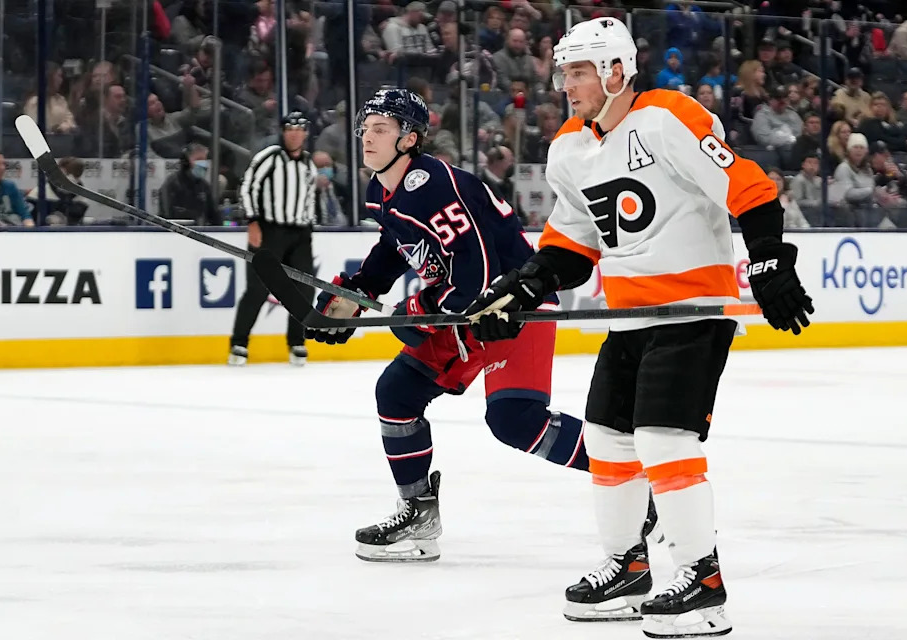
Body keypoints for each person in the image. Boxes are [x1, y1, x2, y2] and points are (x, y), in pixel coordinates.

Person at [465, 17, 813, 638]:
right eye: (563, 72)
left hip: (689, 313)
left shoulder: (665, 116)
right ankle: (628, 565)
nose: (566, 85)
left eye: (578, 72)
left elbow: (748, 186)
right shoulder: (569, 147)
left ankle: (703, 584)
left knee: (663, 439)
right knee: (606, 438)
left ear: (615, 71)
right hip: (628, 319)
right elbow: (571, 245)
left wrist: (767, 260)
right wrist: (526, 283)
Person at [303, 89, 593, 563]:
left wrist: (417, 308)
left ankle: (633, 474)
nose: (367, 137)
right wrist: (356, 293)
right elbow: (397, 248)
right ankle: (417, 512)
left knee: (516, 421)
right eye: (366, 128)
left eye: (381, 128)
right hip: (461, 312)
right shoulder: (382, 189)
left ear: (409, 138)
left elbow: (476, 272)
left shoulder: (432, 184)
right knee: (396, 394)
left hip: (510, 308)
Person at [229, 112, 317, 367]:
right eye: (290, 129)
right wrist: (253, 221)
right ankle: (239, 343)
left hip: (300, 234)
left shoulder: (309, 164)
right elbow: (247, 187)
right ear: (283, 132)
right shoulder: (269, 158)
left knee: (304, 289)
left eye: (300, 129)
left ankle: (296, 342)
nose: (295, 133)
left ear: (306, 133)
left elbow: (309, 197)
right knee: (257, 288)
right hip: (270, 231)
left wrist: (308, 227)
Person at [158, 143, 219, 225]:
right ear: (186, 162)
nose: (203, 164)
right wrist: (195, 216)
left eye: (204, 160)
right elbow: (169, 214)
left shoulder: (204, 186)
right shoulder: (171, 183)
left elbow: (213, 215)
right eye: (199, 159)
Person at [0, 150, 34, 227]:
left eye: (3, 164)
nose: (2, 167)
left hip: (16, 231)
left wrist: (30, 230)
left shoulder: (10, 186)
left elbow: (24, 213)